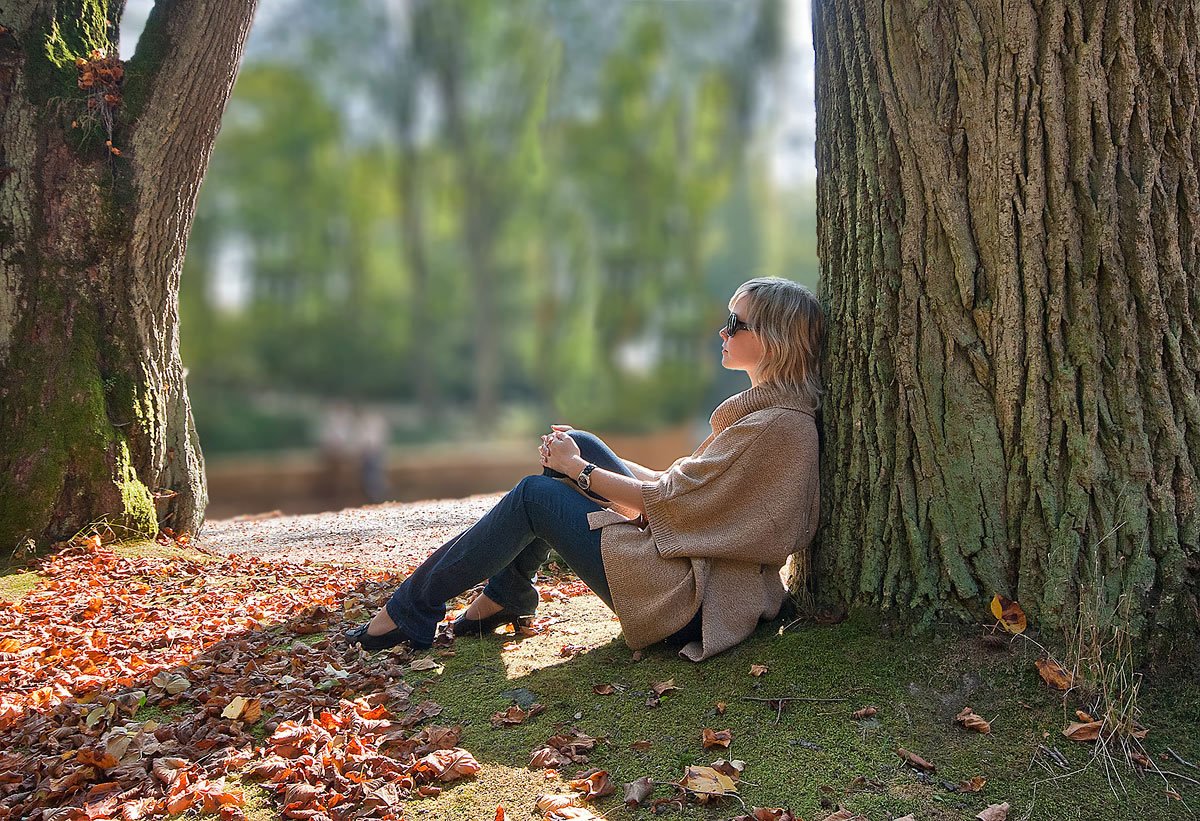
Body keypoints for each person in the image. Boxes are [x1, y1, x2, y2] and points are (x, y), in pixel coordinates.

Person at [346, 277, 823, 661]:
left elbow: (675, 504)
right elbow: (682, 487)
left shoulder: (773, 427)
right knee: (582, 445)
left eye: (734, 323)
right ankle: (507, 593)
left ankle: (411, 609)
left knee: (536, 495)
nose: (723, 331)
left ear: (773, 339)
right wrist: (581, 459)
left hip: (693, 602)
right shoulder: (763, 416)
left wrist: (581, 473)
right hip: (694, 580)